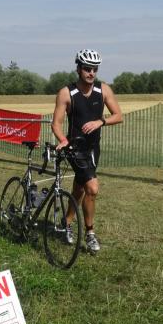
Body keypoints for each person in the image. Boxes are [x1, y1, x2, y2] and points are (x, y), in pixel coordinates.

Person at [51, 49, 122, 254]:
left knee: (80, 188)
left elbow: (118, 115)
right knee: (92, 188)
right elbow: (56, 124)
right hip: (74, 149)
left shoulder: (103, 90)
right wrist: (64, 140)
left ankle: (66, 222)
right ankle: (90, 233)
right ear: (78, 69)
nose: (91, 73)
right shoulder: (66, 93)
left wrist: (100, 121)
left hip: (93, 148)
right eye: (87, 69)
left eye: (94, 69)